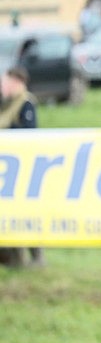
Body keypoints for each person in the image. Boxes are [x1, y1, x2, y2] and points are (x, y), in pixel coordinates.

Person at [0, 66, 44, 266]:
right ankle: (13, 258)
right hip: (7, 169)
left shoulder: (26, 104)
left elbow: (29, 134)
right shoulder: (6, 103)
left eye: (6, 83)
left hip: (22, 169)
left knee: (24, 212)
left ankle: (35, 257)